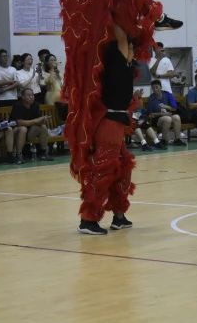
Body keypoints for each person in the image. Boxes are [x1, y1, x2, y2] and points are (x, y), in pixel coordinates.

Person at [76, 25, 140, 235]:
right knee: (103, 170)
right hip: (109, 124)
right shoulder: (116, 60)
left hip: (117, 123)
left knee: (123, 168)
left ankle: (119, 217)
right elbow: (120, 32)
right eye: (130, 47)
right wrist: (116, 10)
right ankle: (88, 220)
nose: (133, 51)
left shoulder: (126, 65)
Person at [10, 87, 55, 163]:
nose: (31, 97)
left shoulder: (35, 105)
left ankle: (43, 153)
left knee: (43, 127)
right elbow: (19, 122)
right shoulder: (17, 105)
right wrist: (36, 121)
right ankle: (19, 155)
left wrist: (43, 120)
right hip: (15, 132)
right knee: (23, 129)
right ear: (22, 97)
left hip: (30, 132)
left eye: (32, 95)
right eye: (28, 95)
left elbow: (38, 120)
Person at [146, 79, 185, 146]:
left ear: (161, 87)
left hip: (169, 115)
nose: (155, 89)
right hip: (157, 119)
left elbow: (174, 108)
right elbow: (150, 114)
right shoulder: (151, 98)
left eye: (156, 87)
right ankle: (163, 140)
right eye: (153, 88)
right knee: (167, 118)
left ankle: (177, 139)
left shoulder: (168, 94)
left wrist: (166, 106)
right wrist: (162, 114)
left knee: (177, 117)